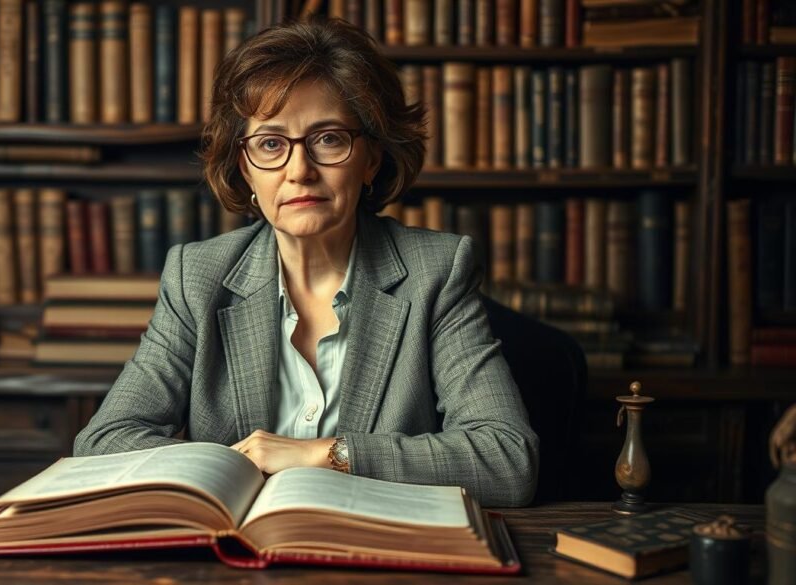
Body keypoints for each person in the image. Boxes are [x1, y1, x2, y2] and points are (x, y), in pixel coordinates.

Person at [75, 17, 538, 507]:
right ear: (245, 167)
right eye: (270, 143)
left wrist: (326, 455)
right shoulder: (198, 277)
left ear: (371, 160)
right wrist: (231, 466)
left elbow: (506, 460)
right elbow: (102, 442)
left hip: (371, 540)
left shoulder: (436, 272)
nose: (300, 171)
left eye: (329, 138)